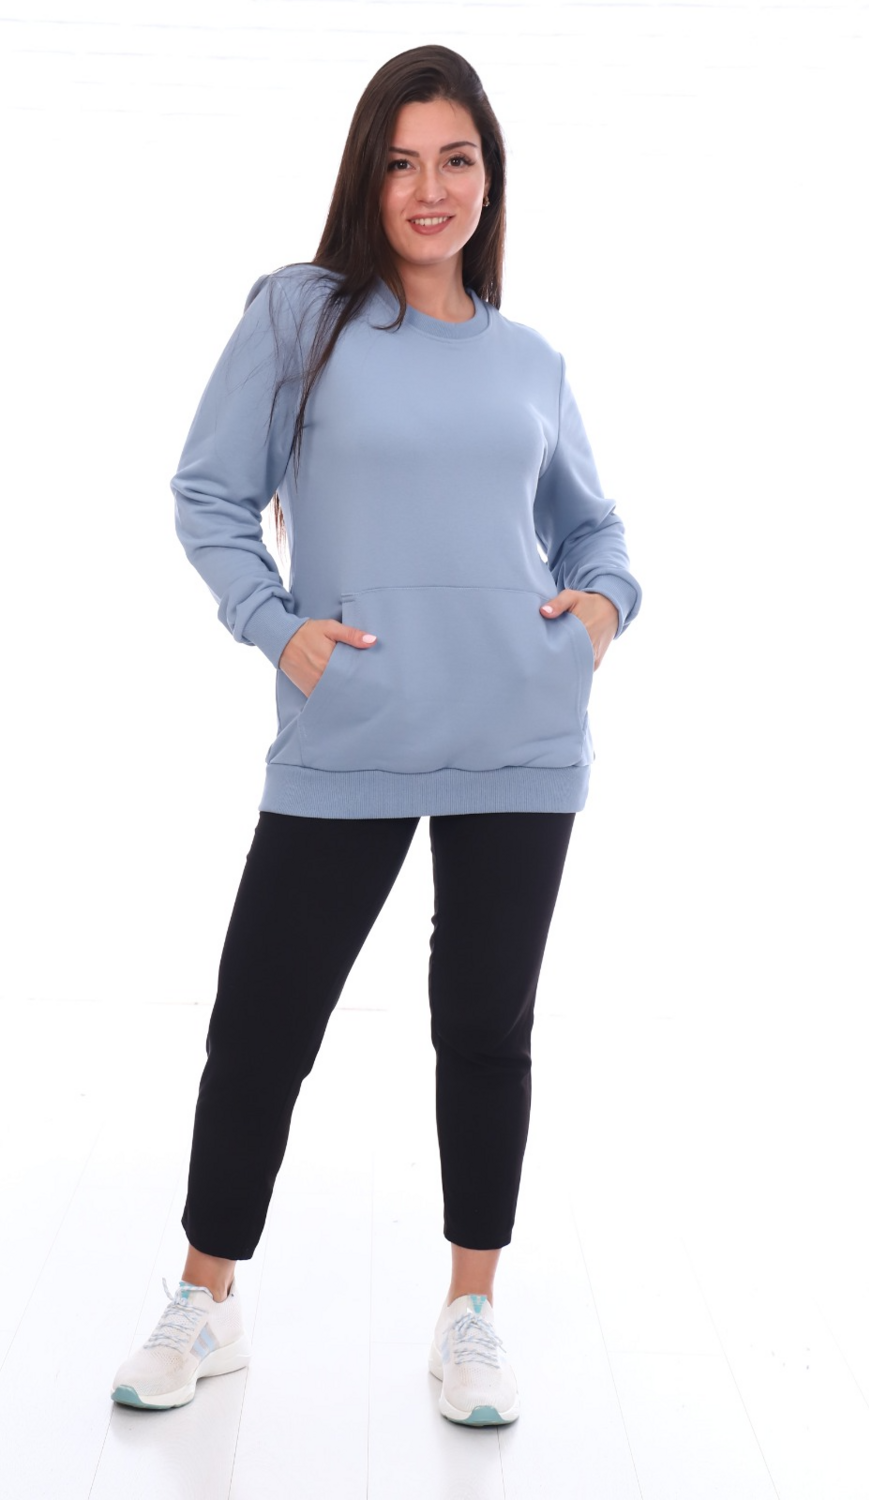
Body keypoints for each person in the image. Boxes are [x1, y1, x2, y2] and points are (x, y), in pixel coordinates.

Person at [111, 43, 641, 1428]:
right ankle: (206, 1298)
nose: (429, 188)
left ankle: (471, 1312)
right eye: (401, 162)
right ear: (367, 174)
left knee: (485, 1029)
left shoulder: (530, 360)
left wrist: (598, 612)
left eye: (456, 159)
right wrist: (275, 626)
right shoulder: (303, 317)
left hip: (519, 740)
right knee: (262, 1022)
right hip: (349, 730)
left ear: (490, 178)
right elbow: (209, 493)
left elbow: (595, 528)